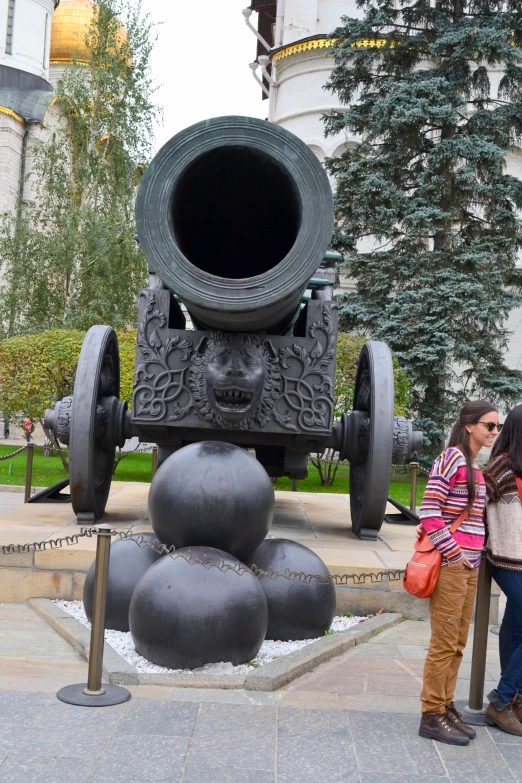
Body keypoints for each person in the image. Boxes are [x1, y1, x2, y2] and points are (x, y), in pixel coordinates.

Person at [417, 400, 499, 746]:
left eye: (497, 426)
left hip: (469, 567)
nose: (494, 431)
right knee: (444, 642)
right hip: (453, 565)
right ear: (469, 425)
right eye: (488, 425)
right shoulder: (451, 458)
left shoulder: (475, 465)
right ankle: (431, 714)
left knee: (458, 643)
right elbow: (429, 509)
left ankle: (446, 705)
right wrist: (453, 554)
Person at [483, 404, 522, 735]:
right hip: (507, 561)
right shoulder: (501, 467)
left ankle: (513, 701)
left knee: (516, 627)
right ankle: (502, 700)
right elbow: (474, 505)